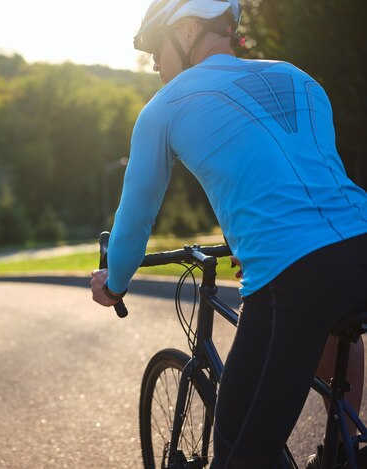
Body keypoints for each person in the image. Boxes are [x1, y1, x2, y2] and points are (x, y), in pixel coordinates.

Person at [89, 0, 367, 467]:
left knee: (239, 454)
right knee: (338, 331)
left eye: (156, 46)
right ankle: (342, 450)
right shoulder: (300, 78)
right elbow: (304, 183)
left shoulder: (164, 108)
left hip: (295, 274)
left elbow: (134, 220)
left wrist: (114, 284)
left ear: (191, 30)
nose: (153, 62)